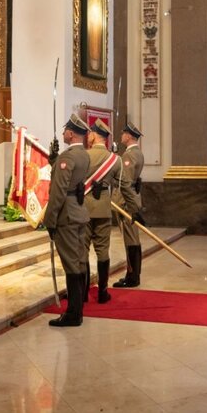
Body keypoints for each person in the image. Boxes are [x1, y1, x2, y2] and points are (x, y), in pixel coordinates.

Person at [82, 119, 140, 304]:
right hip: (103, 211)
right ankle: (102, 292)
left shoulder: (83, 156)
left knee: (81, 251)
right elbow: (126, 187)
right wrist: (134, 209)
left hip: (82, 211)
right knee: (102, 251)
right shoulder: (115, 160)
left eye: (90, 133)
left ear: (93, 135)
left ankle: (82, 292)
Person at [44, 114, 91, 327]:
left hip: (67, 216)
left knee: (71, 264)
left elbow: (58, 191)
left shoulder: (68, 158)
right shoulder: (84, 155)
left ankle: (73, 314)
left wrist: (50, 220)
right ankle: (78, 305)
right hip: (80, 212)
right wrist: (54, 160)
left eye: (65, 131)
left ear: (71, 133)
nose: (63, 134)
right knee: (80, 260)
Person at [113, 121, 146, 288]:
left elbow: (124, 182)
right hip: (131, 199)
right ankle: (132, 274)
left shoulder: (130, 155)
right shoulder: (136, 153)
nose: (122, 135)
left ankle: (132, 276)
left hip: (127, 201)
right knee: (132, 238)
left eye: (124, 133)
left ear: (130, 136)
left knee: (130, 239)